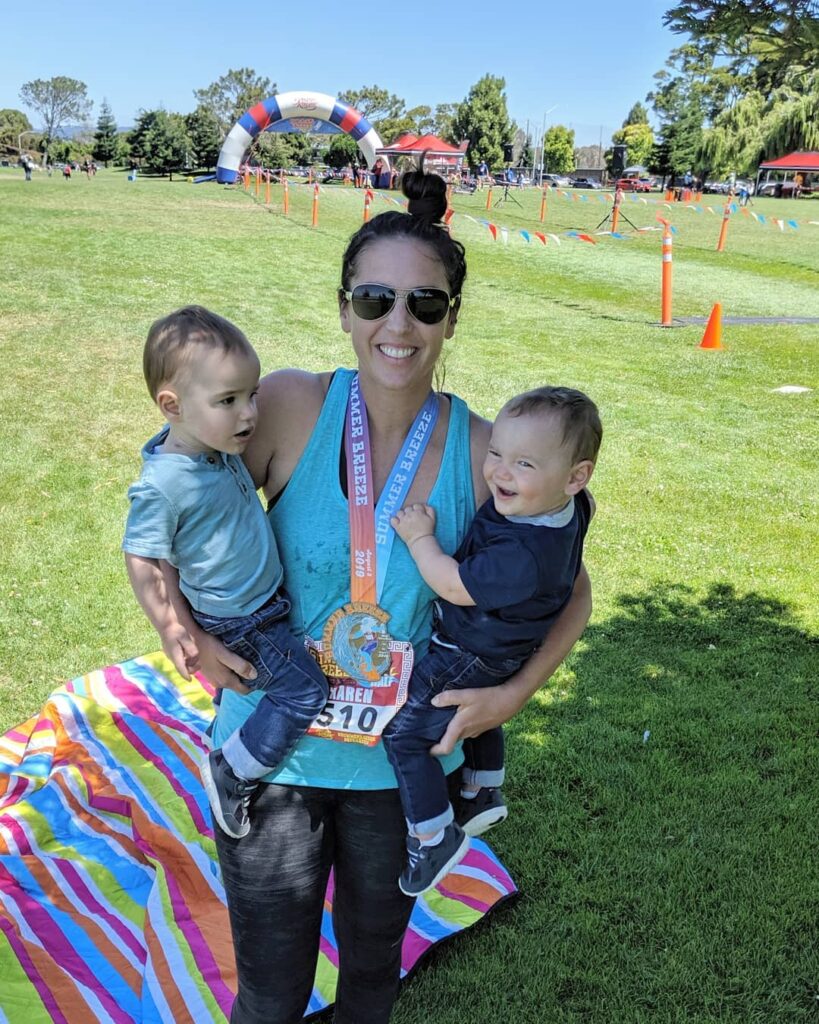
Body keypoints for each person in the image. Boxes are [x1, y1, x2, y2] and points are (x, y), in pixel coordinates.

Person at [150, 169, 592, 1024]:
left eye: (425, 305)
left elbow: (569, 590)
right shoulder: (282, 406)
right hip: (272, 754)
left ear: (451, 319)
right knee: (272, 996)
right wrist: (180, 628)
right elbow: (170, 500)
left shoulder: (483, 450)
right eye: (375, 298)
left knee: (369, 982)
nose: (397, 325)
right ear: (345, 305)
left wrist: (510, 694)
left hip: (403, 770)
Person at [383, 386, 600, 895]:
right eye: (496, 452)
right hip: (507, 651)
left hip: (469, 652)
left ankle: (432, 834)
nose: (499, 472)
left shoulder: (520, 556)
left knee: (406, 735)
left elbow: (454, 585)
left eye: (523, 463)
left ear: (575, 477)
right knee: (481, 710)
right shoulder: (571, 507)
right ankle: (483, 787)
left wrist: (419, 538)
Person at [122, 306, 329, 840]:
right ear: (172, 406)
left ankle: (227, 728)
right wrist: (173, 628)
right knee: (304, 692)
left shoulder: (213, 446)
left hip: (259, 605)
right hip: (242, 621)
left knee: (246, 689)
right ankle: (232, 771)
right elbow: (143, 556)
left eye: (252, 394)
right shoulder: (166, 482)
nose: (249, 415)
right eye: (228, 401)